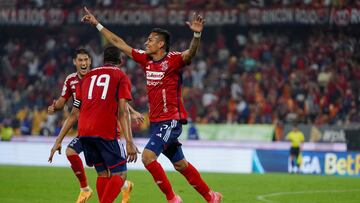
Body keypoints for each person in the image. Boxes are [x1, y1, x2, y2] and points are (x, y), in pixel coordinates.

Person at [82, 7, 222, 203]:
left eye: (151, 39)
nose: (146, 42)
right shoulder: (146, 59)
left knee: (147, 157)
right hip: (157, 122)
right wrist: (96, 23)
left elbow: (190, 53)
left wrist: (197, 35)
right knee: (181, 165)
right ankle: (211, 196)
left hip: (170, 120)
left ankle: (173, 199)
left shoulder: (173, 60)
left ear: (161, 43)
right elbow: (118, 43)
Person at [48, 48, 140, 203]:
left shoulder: (86, 78)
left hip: (84, 133)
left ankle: (86, 190)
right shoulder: (121, 76)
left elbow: (74, 112)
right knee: (120, 174)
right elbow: (122, 112)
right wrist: (130, 142)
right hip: (105, 132)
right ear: (121, 61)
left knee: (103, 174)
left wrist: (57, 141)